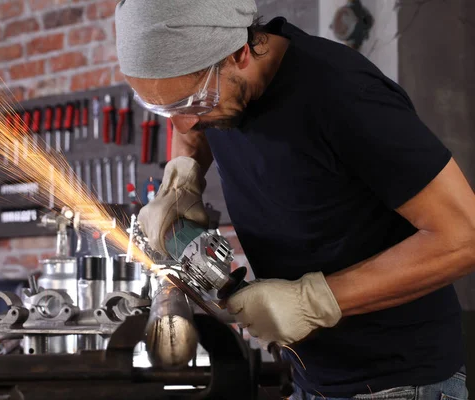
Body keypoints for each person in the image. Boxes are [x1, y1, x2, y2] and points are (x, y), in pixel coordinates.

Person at [114, 1, 474, 398]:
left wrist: (313, 301)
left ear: (239, 52)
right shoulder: (214, 89)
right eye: (166, 108)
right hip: (311, 377)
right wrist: (181, 179)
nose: (184, 122)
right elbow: (188, 121)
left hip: (400, 382)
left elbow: (463, 235)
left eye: (193, 103)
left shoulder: (343, 94)